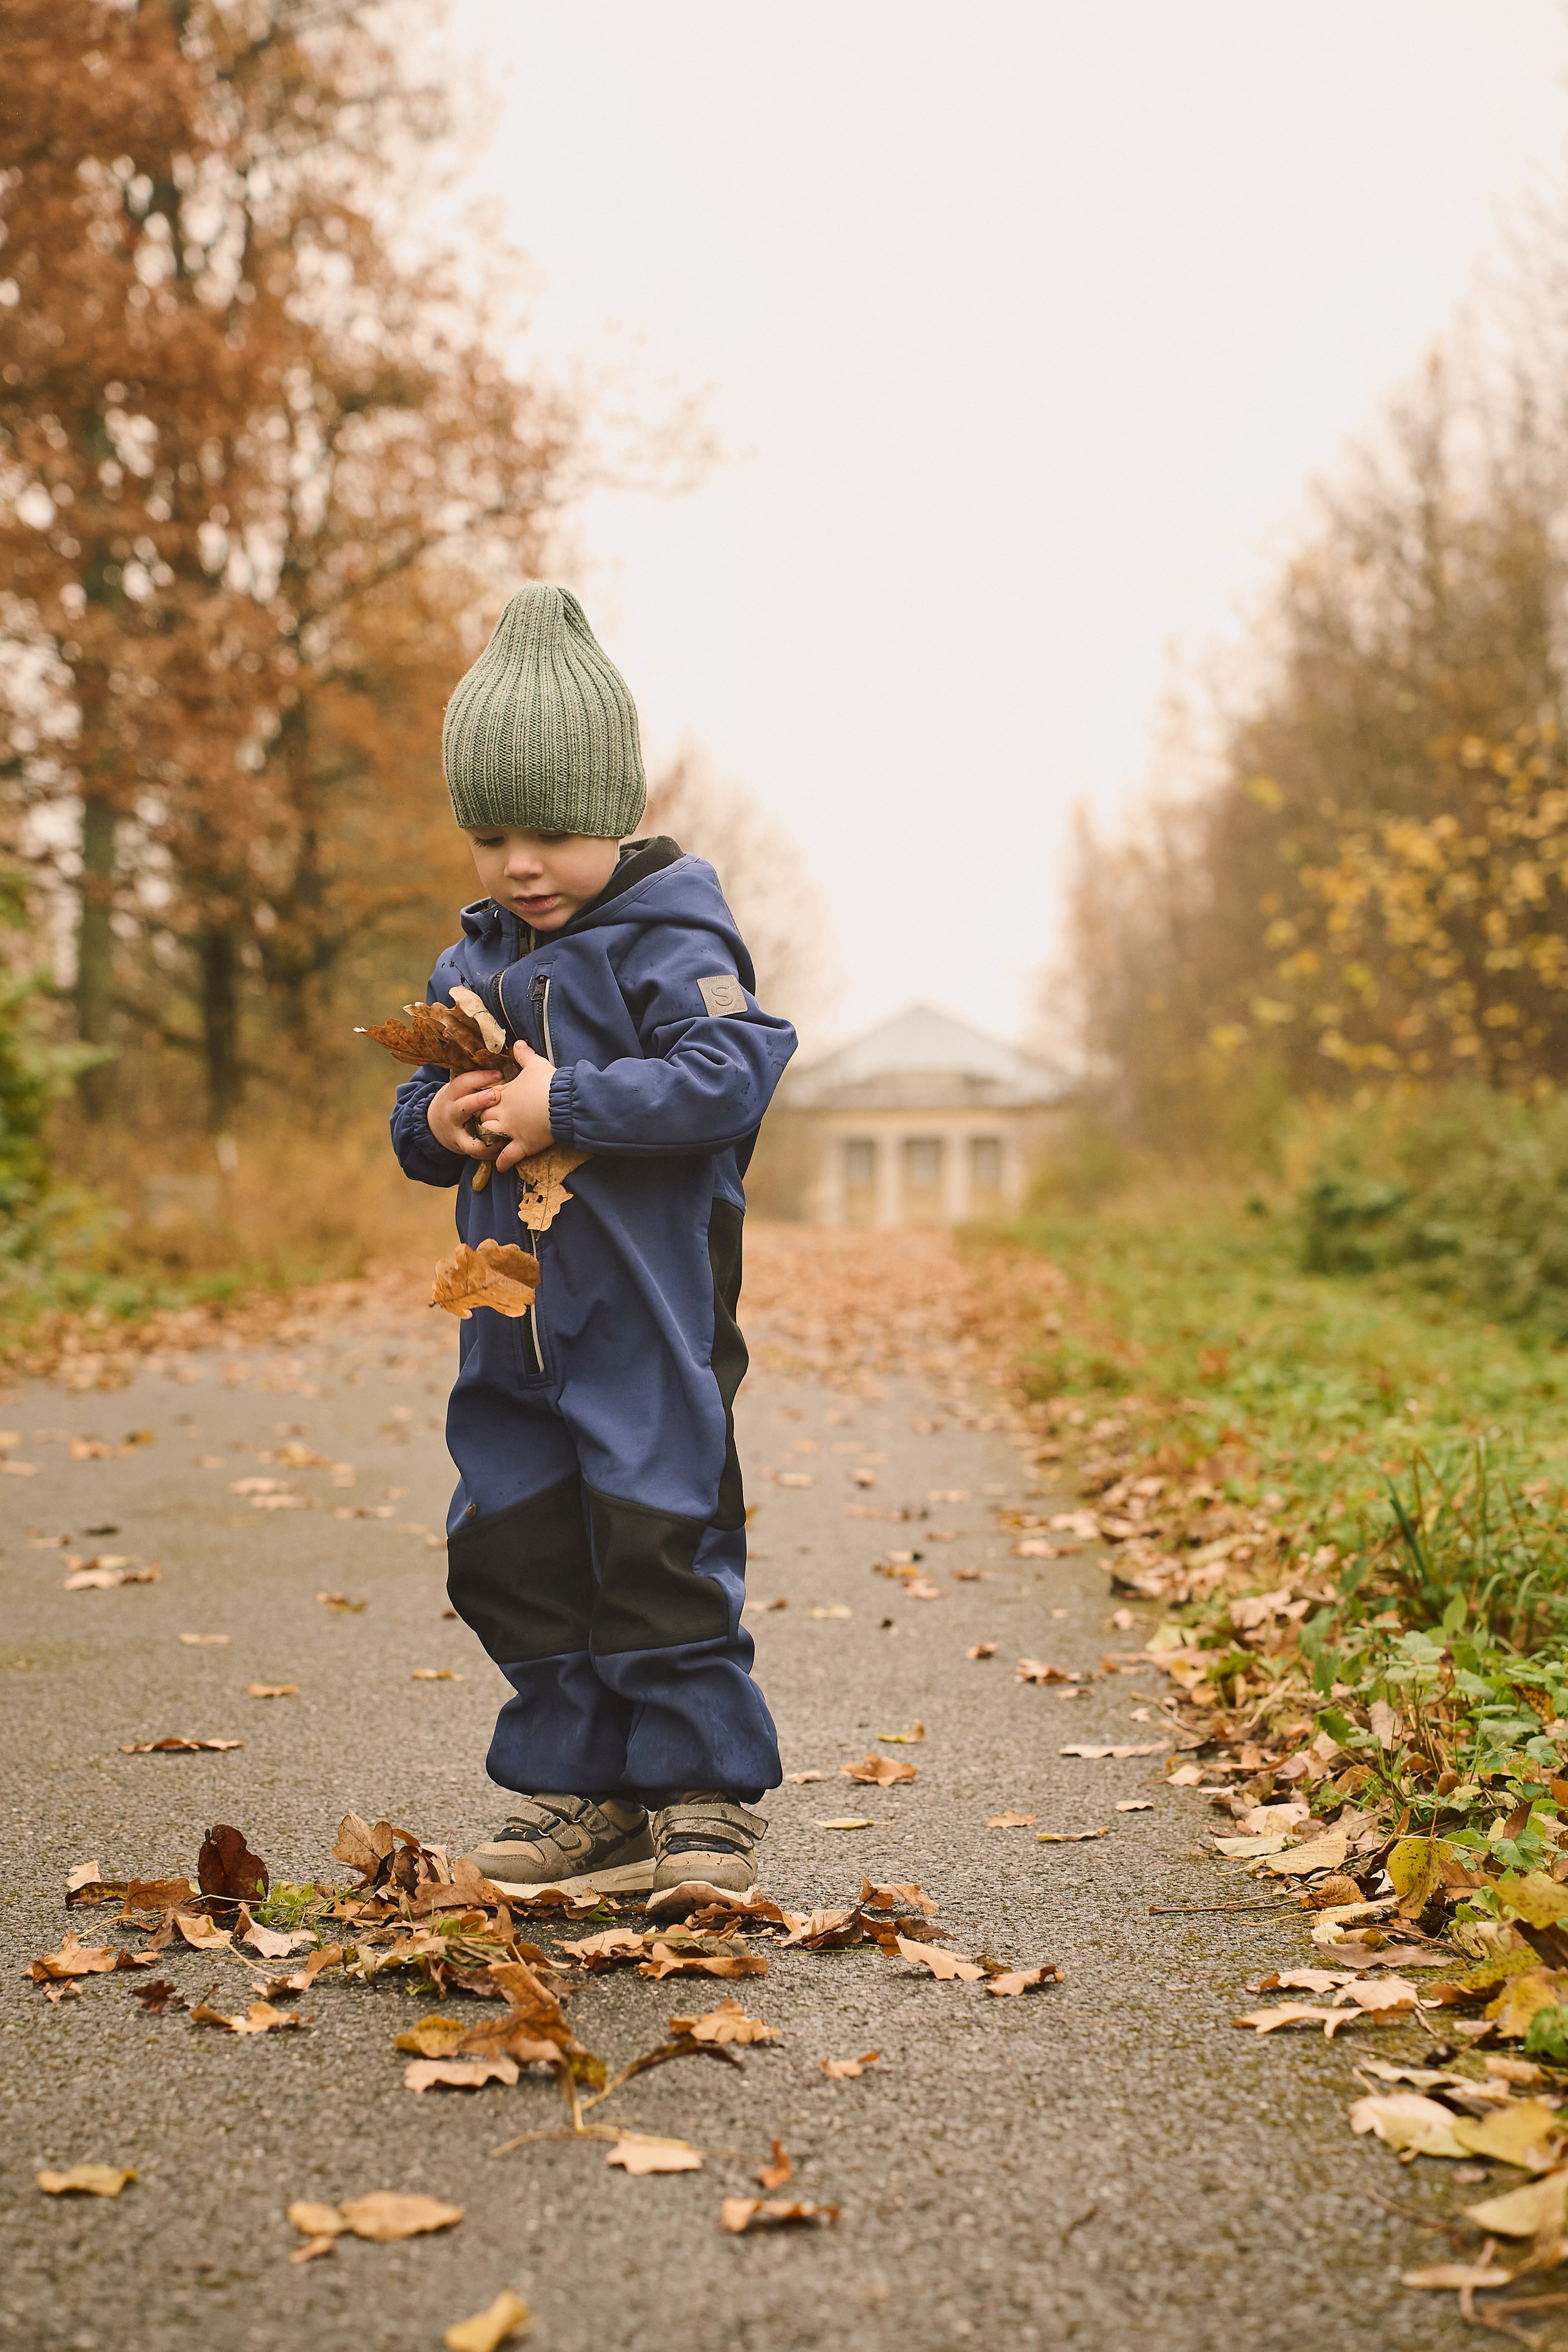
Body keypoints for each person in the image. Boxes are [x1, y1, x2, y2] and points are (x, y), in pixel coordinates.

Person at [390, 582, 794, 1902]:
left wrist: (564, 1097)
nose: (519, 864)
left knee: (652, 1541)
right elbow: (414, 1112)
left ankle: (698, 1793)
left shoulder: (671, 937)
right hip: (510, 1324)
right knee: (510, 1546)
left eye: (552, 833)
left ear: (613, 816)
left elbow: (729, 1070)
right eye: (490, 832)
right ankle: (580, 1786)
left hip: (642, 1317)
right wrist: (444, 1119)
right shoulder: (480, 951)